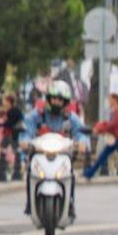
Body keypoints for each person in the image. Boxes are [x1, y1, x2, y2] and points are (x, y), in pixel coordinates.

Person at [21, 81, 88, 219]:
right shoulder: (38, 115)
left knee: (70, 175)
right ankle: (30, 203)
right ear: (48, 99)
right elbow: (27, 128)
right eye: (53, 98)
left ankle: (70, 203)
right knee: (31, 173)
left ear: (65, 102)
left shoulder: (70, 118)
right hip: (40, 153)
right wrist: (25, 140)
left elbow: (81, 132)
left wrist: (82, 142)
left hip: (62, 154)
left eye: (60, 99)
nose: (56, 102)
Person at [84, 93, 118, 184]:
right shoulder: (116, 111)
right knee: (103, 156)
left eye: (110, 99)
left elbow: (114, 124)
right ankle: (90, 173)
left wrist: (101, 128)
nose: (109, 101)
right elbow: (112, 124)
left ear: (115, 100)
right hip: (115, 138)